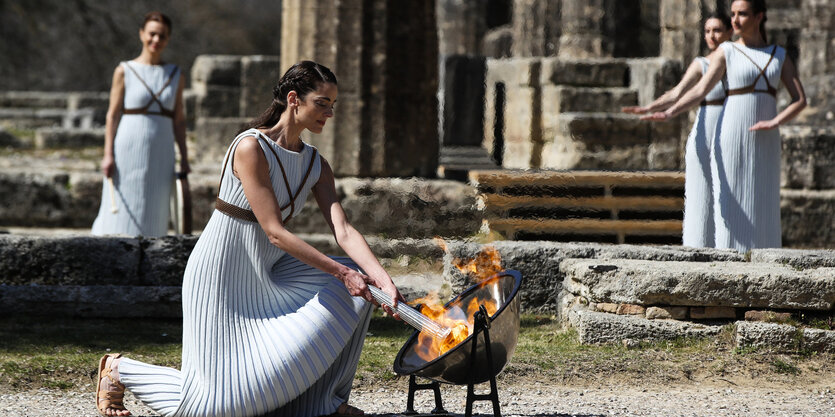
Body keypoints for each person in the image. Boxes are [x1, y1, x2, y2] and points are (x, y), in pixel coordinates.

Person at [94, 60, 404, 417]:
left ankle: (321, 405)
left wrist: (381, 280)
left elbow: (344, 230)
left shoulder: (317, 165)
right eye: (322, 102)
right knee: (215, 407)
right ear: (293, 99)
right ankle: (119, 370)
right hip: (221, 275)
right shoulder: (250, 147)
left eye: (333, 105)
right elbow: (274, 232)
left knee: (359, 291)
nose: (329, 113)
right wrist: (342, 272)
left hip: (269, 275)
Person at [641, 0, 806, 252]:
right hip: (731, 134)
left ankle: (765, 265)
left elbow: (800, 99)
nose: (735, 20)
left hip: (766, 138)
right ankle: (729, 264)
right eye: (733, 14)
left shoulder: (778, 55)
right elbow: (700, 91)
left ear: (759, 16)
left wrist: (776, 121)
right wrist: (670, 111)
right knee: (730, 205)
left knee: (764, 202)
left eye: (743, 14)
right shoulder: (726, 51)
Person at [624, 13, 733, 247]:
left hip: (731, 131)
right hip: (706, 129)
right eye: (707, 31)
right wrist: (649, 107)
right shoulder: (701, 63)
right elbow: (677, 92)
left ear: (729, 32)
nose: (711, 36)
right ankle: (698, 245)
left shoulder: (738, 62)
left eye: (717, 30)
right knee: (702, 192)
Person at [91, 11, 189, 237]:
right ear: (142, 34)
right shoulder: (124, 70)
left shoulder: (175, 74)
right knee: (121, 204)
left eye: (162, 36)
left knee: (155, 203)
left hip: (162, 148)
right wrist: (108, 154)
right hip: (127, 146)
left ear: (168, 39)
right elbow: (112, 115)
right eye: (152, 34)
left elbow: (180, 120)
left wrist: (184, 158)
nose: (156, 40)